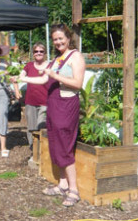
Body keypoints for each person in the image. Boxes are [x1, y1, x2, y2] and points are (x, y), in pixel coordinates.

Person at [20, 24, 85, 207]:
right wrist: (23, 79)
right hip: (54, 103)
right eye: (55, 39)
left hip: (66, 105)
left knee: (65, 144)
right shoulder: (57, 58)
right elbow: (43, 79)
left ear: (68, 37)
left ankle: (74, 190)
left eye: (60, 38)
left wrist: (55, 76)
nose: (57, 42)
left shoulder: (76, 56)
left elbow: (78, 83)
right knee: (56, 143)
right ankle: (62, 184)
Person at [12, 42, 48, 156]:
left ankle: (43, 151)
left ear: (45, 53)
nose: (38, 53)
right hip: (31, 102)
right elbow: (17, 77)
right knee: (31, 127)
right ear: (33, 53)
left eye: (41, 51)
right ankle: (34, 150)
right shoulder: (28, 66)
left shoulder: (50, 66)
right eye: (36, 51)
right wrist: (17, 90)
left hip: (45, 103)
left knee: (42, 126)